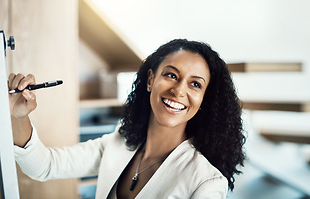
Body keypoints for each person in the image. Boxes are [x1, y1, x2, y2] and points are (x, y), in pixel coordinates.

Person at [9, 39, 246, 199]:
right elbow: (44, 166)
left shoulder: (206, 182)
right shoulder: (120, 140)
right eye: (171, 75)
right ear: (151, 80)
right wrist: (20, 116)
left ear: (205, 99)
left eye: (195, 84)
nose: (179, 91)